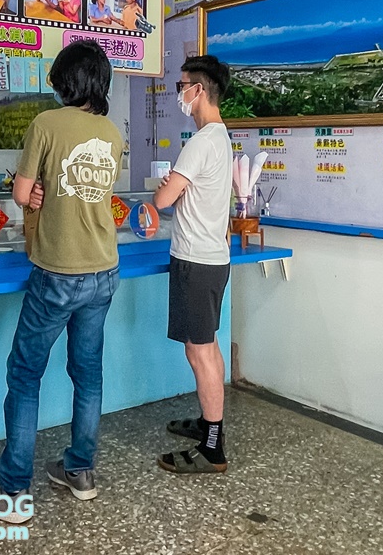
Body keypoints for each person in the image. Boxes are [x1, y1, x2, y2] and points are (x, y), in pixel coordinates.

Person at [0, 39, 125, 524]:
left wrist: (33, 190)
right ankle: (81, 471)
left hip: (57, 271)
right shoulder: (112, 133)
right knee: (87, 374)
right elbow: (95, 194)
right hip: (104, 268)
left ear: (67, 81)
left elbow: (23, 193)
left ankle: (15, 491)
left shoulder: (46, 123)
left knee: (25, 376)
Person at [152, 55, 234, 474]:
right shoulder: (220, 137)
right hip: (214, 259)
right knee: (209, 347)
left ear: (199, 90)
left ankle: (213, 447)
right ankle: (209, 423)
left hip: (195, 262)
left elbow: (164, 201)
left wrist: (166, 189)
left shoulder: (200, 142)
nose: (180, 93)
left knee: (199, 353)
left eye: (182, 85)